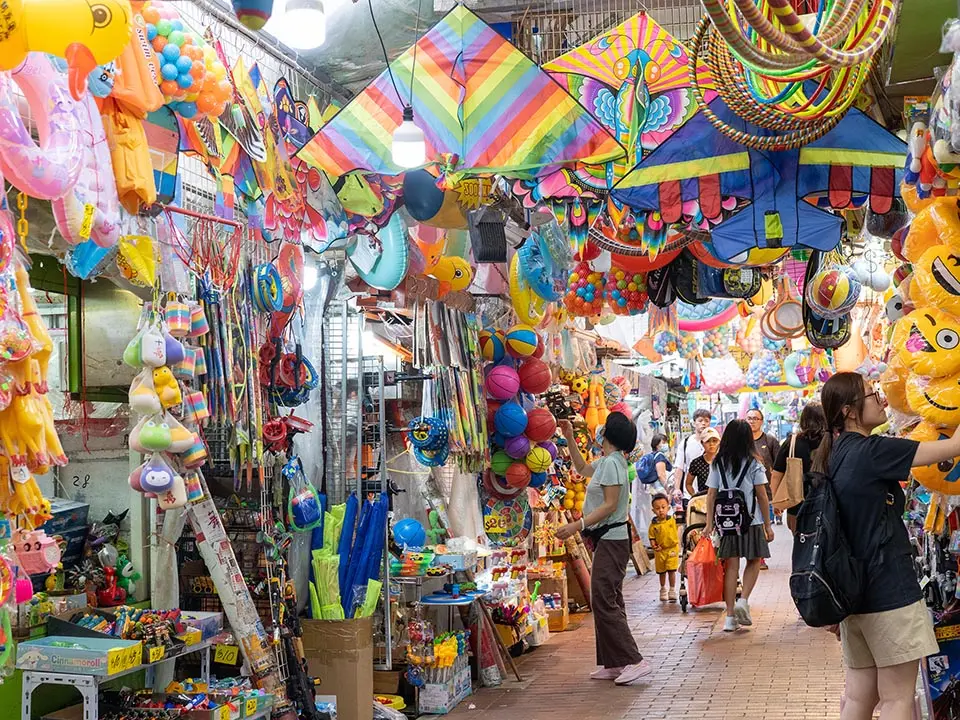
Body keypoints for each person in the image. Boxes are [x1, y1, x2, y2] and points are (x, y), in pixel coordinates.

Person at [814, 372, 960, 720]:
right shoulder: (873, 451)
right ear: (850, 411)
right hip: (888, 593)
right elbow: (953, 447)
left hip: (854, 597)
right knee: (897, 699)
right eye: (872, 394)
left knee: (858, 697)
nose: (882, 399)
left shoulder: (835, 454)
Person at [557, 412, 650, 686]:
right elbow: (582, 468)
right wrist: (570, 437)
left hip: (611, 539)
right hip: (608, 540)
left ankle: (634, 660)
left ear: (609, 435)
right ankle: (613, 662)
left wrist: (577, 525)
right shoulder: (611, 461)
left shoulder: (613, 463)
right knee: (607, 598)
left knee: (603, 599)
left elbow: (609, 505)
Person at [704, 419, 773, 632]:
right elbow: (762, 495)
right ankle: (743, 600)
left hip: (727, 523)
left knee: (731, 567)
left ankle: (730, 618)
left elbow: (711, 494)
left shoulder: (717, 463)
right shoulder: (754, 463)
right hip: (751, 521)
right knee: (753, 561)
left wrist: (709, 524)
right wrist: (768, 525)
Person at [770, 403, 826, 533]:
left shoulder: (792, 442)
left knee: (801, 544)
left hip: (797, 506)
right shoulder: (832, 441)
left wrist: (777, 501)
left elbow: (776, 474)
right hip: (827, 503)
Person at [648, 493, 679, 602]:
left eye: (663, 507)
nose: (660, 510)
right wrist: (653, 545)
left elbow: (679, 524)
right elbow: (652, 537)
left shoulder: (672, 520)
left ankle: (672, 589)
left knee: (671, 570)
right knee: (661, 571)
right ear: (653, 511)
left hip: (672, 549)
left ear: (668, 508)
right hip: (660, 551)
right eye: (657, 508)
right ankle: (662, 589)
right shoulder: (653, 525)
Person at [673, 409, 712, 492]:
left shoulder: (714, 443)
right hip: (690, 491)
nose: (703, 423)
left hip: (711, 492)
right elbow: (679, 468)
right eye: (700, 421)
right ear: (694, 423)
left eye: (706, 421)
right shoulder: (686, 443)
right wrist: (676, 489)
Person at [685, 427, 720, 496]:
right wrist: (695, 496)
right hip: (703, 501)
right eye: (708, 441)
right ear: (702, 443)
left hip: (722, 500)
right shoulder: (696, 463)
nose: (711, 444)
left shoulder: (724, 461)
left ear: (719, 442)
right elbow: (688, 484)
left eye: (715, 441)